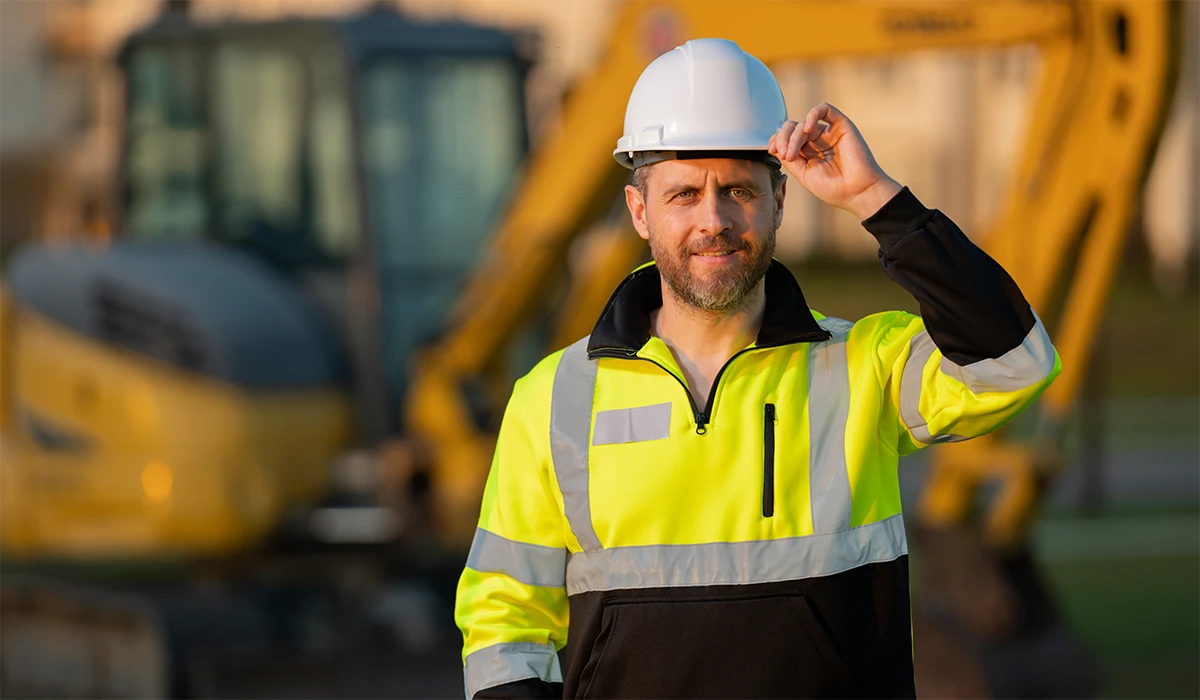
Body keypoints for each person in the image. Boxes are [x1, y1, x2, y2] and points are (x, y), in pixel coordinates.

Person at [454, 38, 1060, 700]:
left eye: (738, 189)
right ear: (639, 212)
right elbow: (502, 626)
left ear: (780, 199)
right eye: (683, 193)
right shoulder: (552, 398)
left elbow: (1014, 362)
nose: (713, 220)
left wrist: (875, 198)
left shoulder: (865, 366)